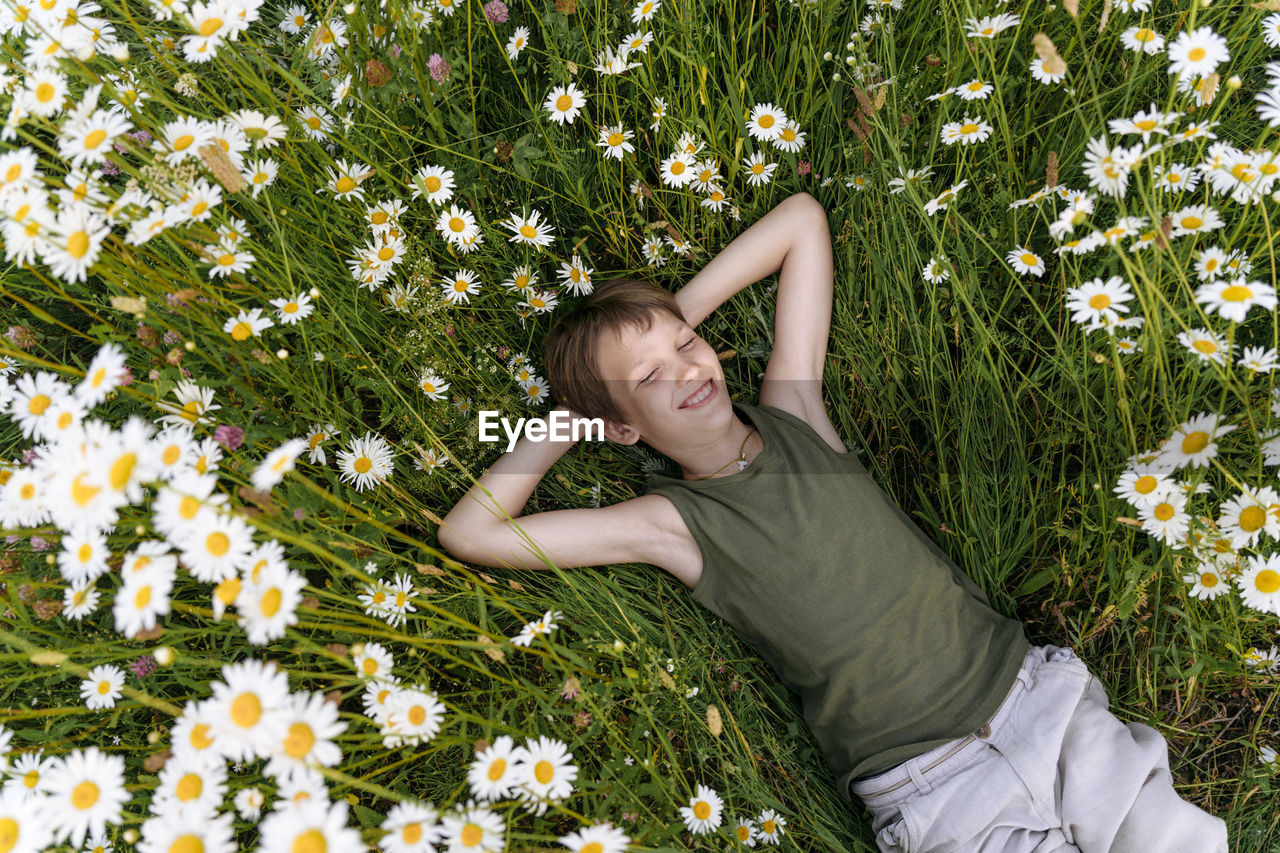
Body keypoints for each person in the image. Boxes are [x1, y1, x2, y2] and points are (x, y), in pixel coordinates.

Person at [437, 191, 1229, 852]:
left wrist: (665, 317)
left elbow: (801, 222)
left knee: (1166, 836)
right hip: (934, 786)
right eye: (649, 376)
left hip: (1033, 700)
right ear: (621, 424)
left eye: (688, 343)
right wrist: (571, 415)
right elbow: (472, 533)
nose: (686, 366)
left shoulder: (795, 410)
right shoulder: (671, 523)